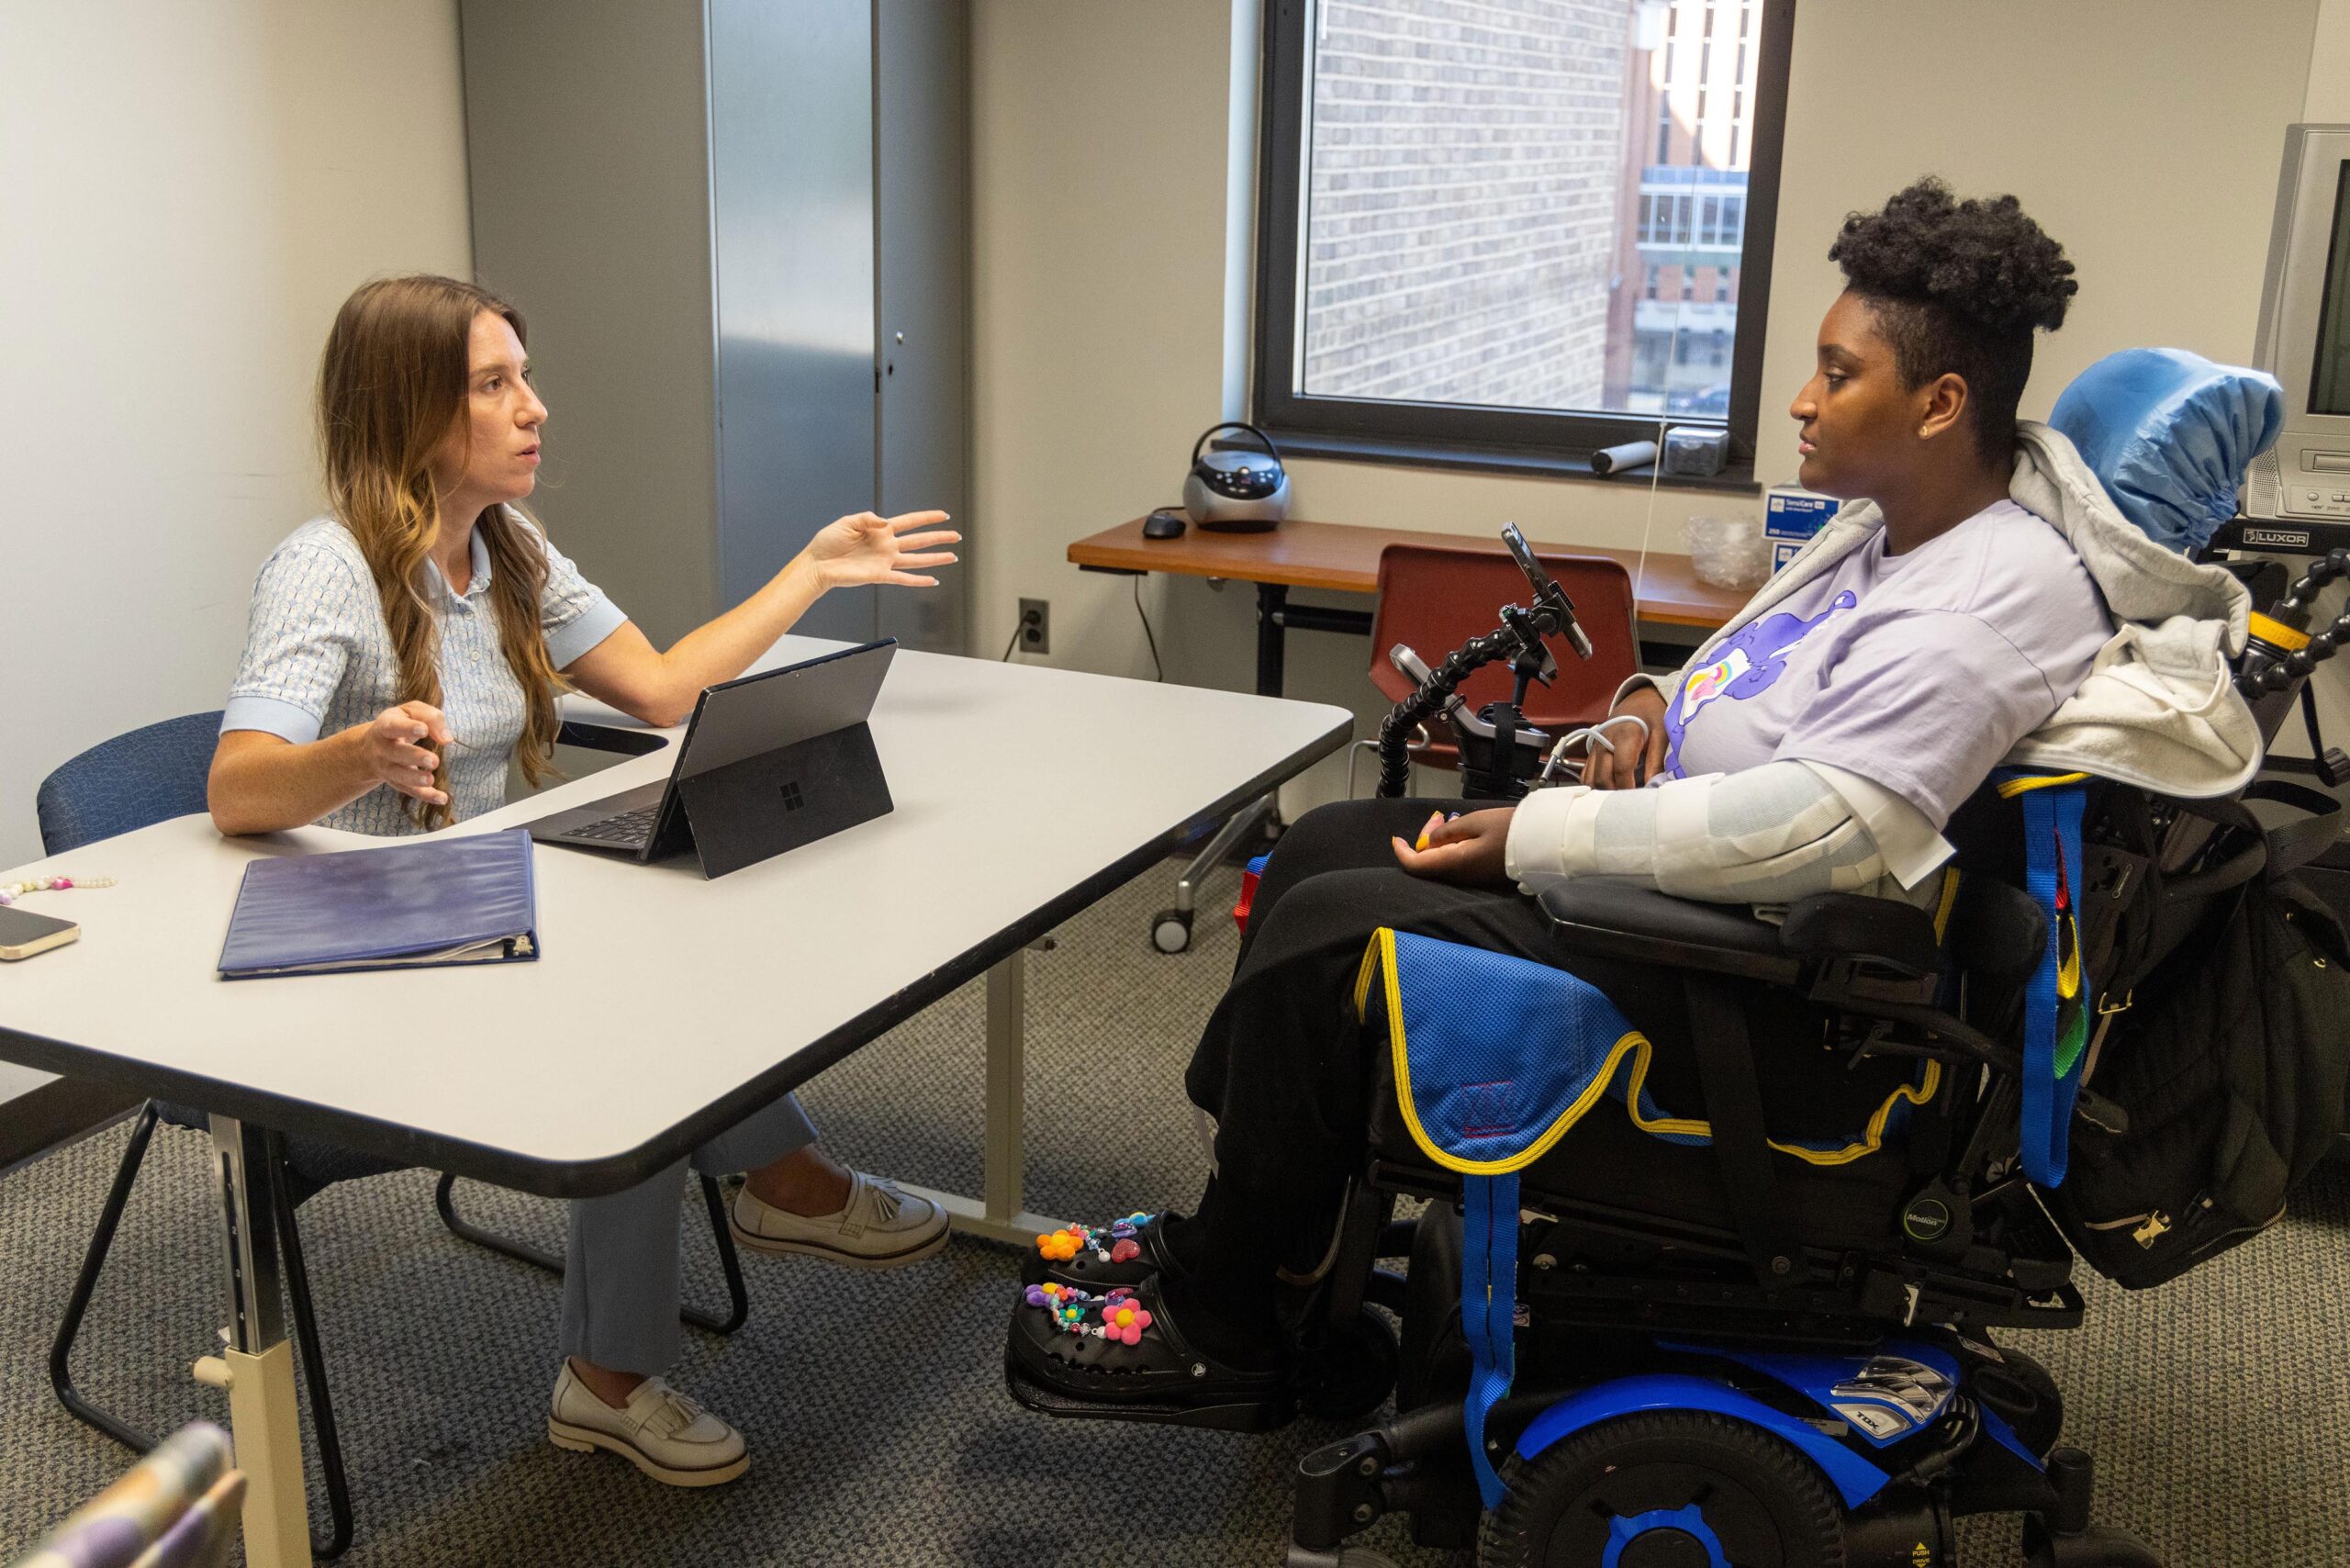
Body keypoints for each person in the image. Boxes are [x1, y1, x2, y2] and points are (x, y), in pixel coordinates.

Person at [1005, 179, 2255, 1408]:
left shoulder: (1992, 597)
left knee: (1339, 936)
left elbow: (1831, 832)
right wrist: (1642, 712)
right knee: (1330, 841)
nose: (1803, 400)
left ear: (1939, 402)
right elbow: (1737, 671)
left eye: (1836, 372)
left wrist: (1545, 837)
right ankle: (1270, 1239)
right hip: (1680, 891)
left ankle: (1233, 1323)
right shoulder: (1890, 528)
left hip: (1768, 986)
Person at [209, 274, 961, 1486]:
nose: (534, 408)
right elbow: (238, 787)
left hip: (484, 915)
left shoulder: (508, 549)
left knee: (689, 930)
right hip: (352, 955)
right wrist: (353, 754)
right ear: (409, 409)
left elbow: (663, 690)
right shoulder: (327, 568)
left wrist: (812, 572)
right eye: (494, 384)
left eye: (525, 376)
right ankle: (624, 1362)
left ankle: (781, 1181)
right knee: (637, 1020)